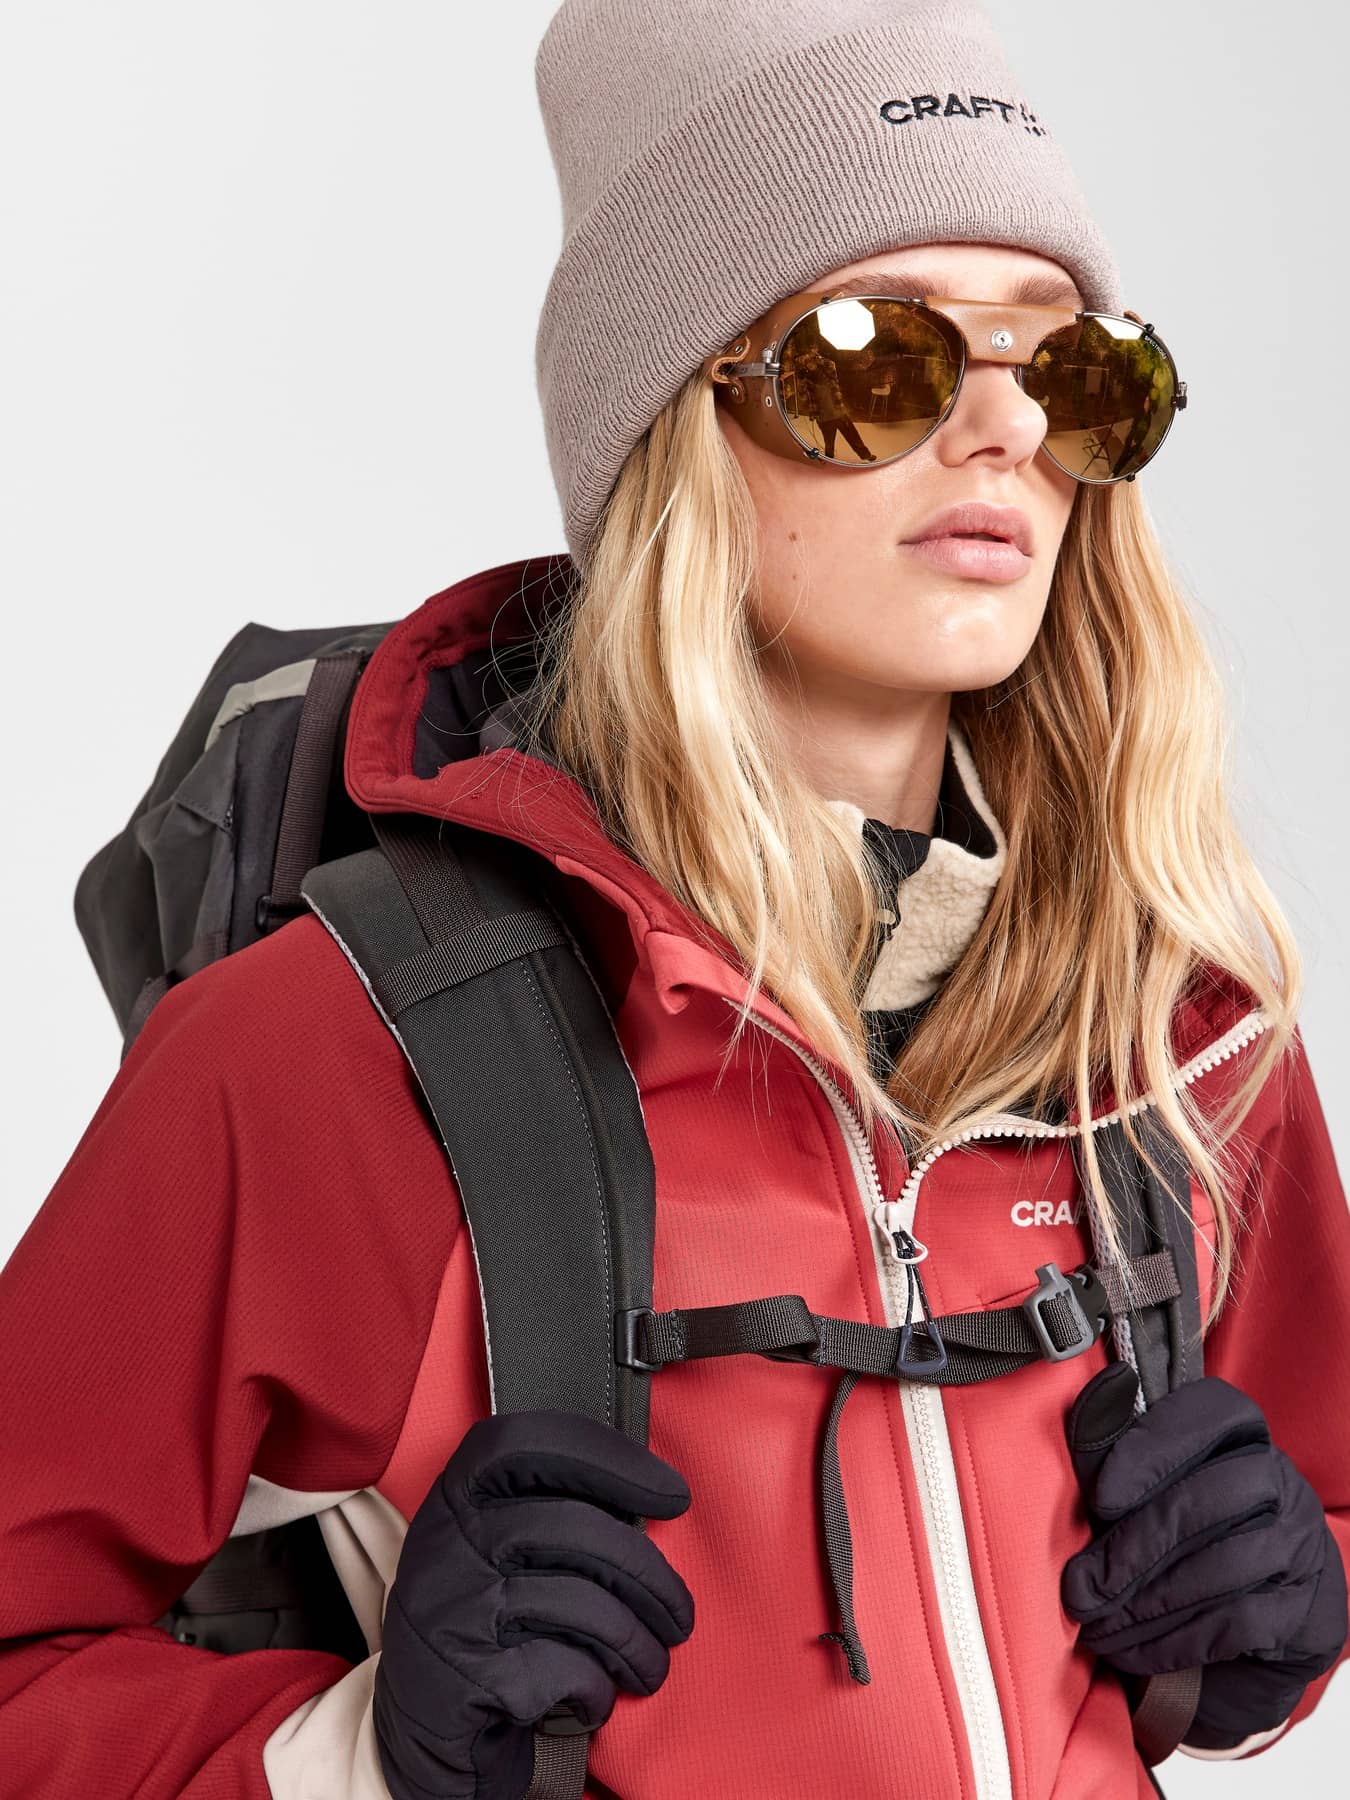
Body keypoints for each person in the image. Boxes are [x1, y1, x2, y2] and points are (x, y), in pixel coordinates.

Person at [2, 4, 1347, 1798]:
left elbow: (1310, 1499)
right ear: (670, 426)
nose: (1002, 429)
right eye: (876, 356)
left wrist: (1279, 1619)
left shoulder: (1173, 1032)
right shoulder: (345, 1047)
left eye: (1072, 368)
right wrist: (353, 1760)